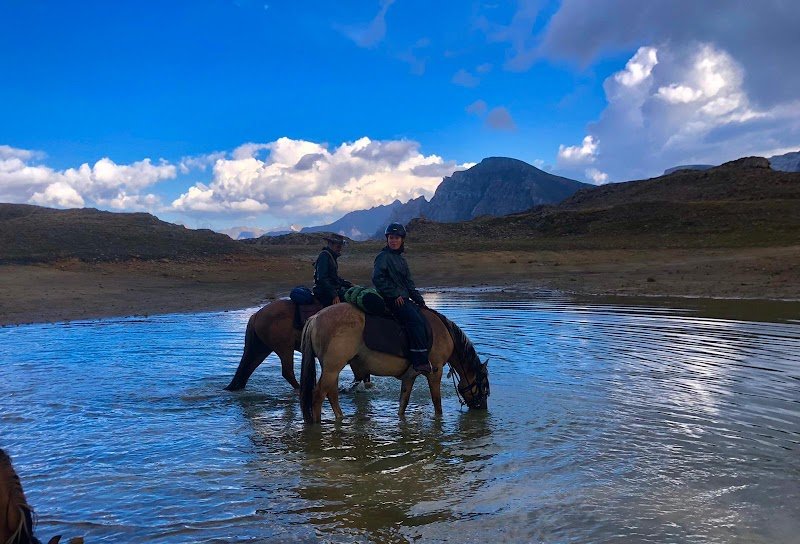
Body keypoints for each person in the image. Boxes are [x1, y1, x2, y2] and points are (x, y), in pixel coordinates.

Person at [372, 223, 433, 374]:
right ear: (387, 239)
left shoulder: (401, 260)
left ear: (402, 240)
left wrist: (419, 300)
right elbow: (377, 278)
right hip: (391, 299)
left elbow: (408, 283)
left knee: (422, 316)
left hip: (403, 298)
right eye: (391, 238)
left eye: (397, 238)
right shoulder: (382, 257)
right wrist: (394, 294)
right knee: (416, 321)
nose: (393, 241)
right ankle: (419, 362)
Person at [313, 234, 353, 307]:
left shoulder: (330, 256)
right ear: (330, 244)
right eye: (338, 246)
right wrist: (334, 295)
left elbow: (334, 277)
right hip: (323, 292)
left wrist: (349, 284)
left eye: (340, 247)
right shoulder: (324, 256)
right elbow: (322, 278)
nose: (340, 249)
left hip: (328, 290)